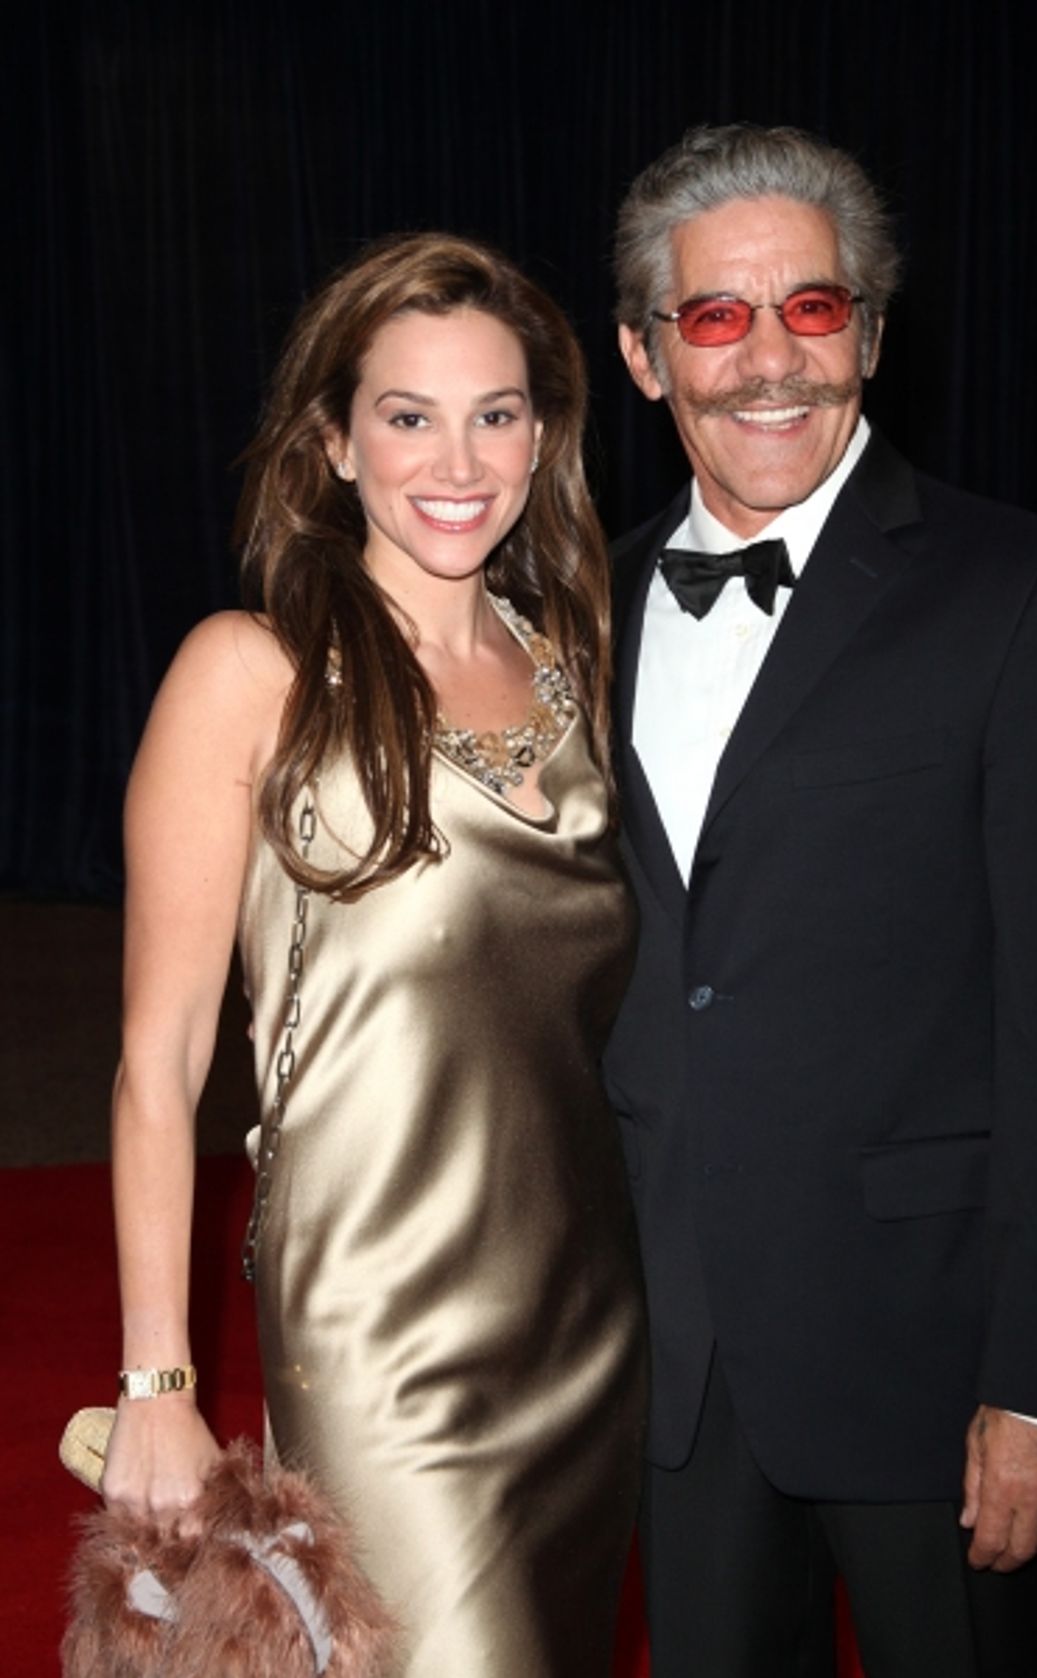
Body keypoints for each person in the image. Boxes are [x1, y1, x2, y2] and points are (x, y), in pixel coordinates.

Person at [603, 123, 1037, 1678]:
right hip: (672, 1363)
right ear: (647, 357)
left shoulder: (1035, 593)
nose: (770, 358)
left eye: (816, 307)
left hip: (941, 1366)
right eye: (717, 316)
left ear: (870, 329)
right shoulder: (577, 610)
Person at [100, 231, 647, 1677]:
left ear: (543, 438)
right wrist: (157, 1375)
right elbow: (160, 1059)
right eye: (407, 415)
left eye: (497, 413)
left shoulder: (580, 664)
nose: (455, 458)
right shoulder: (252, 675)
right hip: (382, 1344)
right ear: (335, 441)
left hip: (592, 1323)